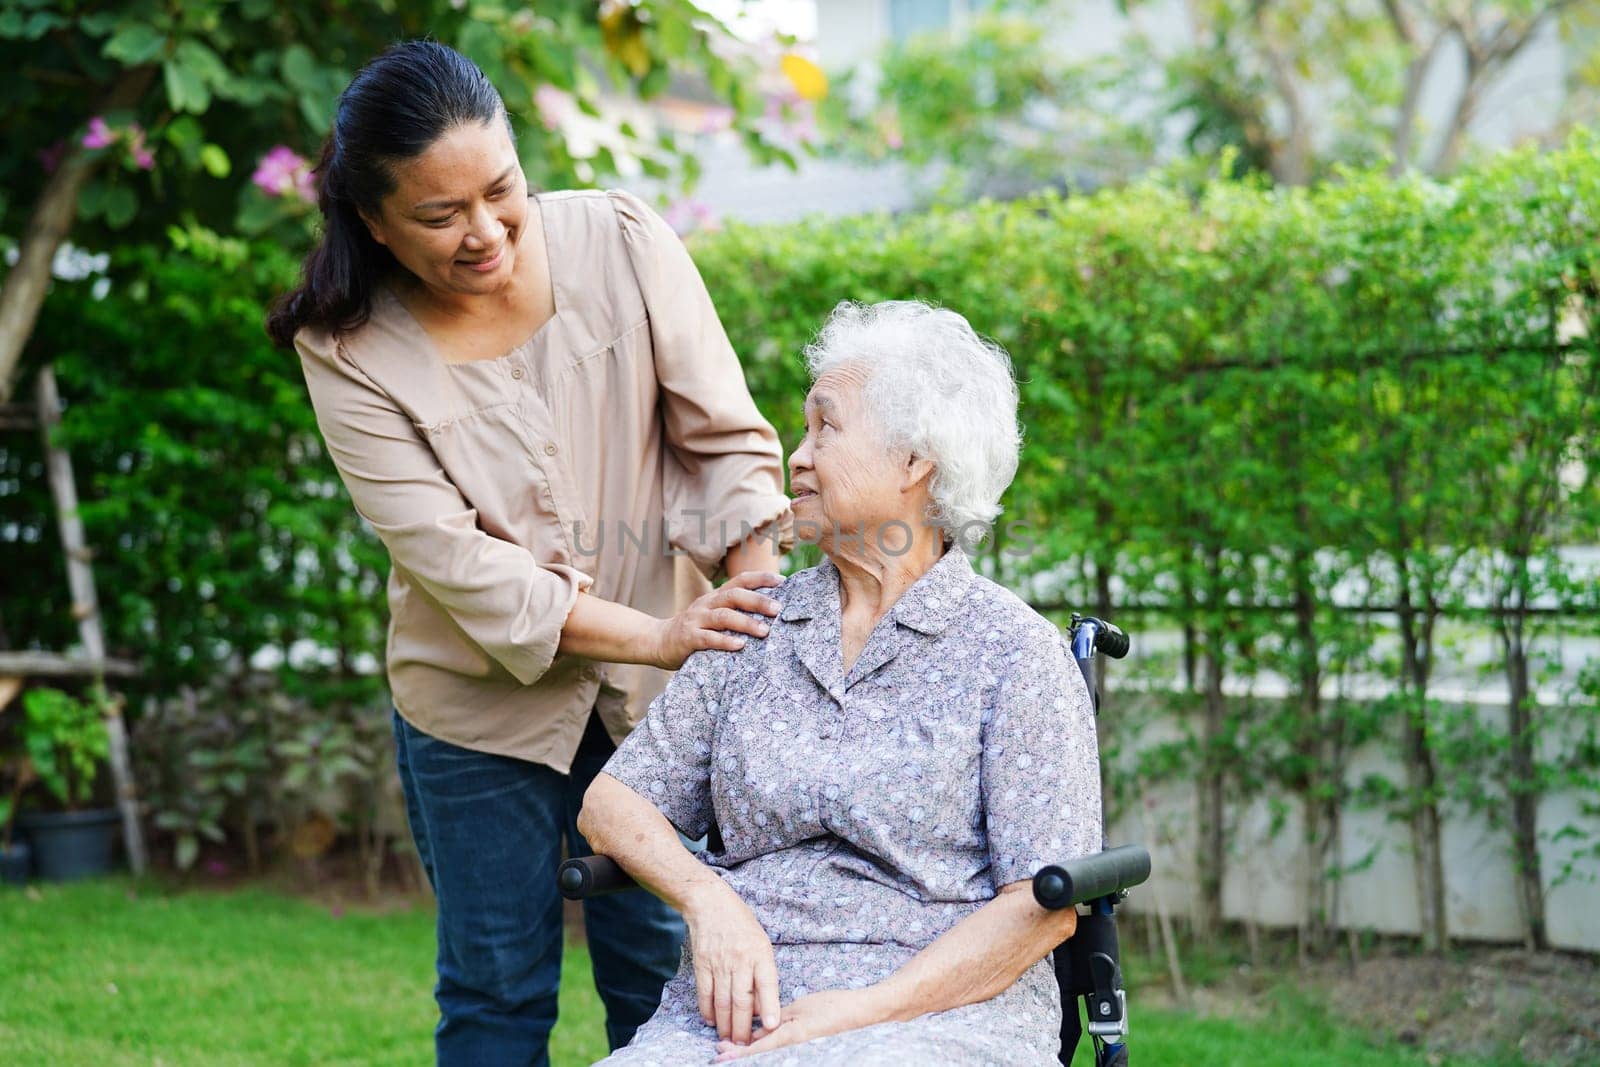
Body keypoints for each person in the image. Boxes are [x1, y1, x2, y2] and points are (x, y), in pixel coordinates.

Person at [265, 40, 792, 1067]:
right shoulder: (348, 348)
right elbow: (457, 564)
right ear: (373, 221)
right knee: (497, 991)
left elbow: (725, 439)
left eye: (500, 190)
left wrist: (751, 606)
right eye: (438, 214)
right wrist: (659, 632)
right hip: (474, 713)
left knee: (664, 974)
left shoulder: (621, 240)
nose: (485, 232)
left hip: (656, 704)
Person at [579, 300, 1103, 1065]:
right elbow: (612, 802)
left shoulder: (1012, 652)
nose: (796, 455)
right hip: (731, 1014)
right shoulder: (755, 624)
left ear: (916, 461)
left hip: (938, 1016)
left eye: (825, 427)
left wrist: (860, 1011)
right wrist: (708, 899)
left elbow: (1044, 906)